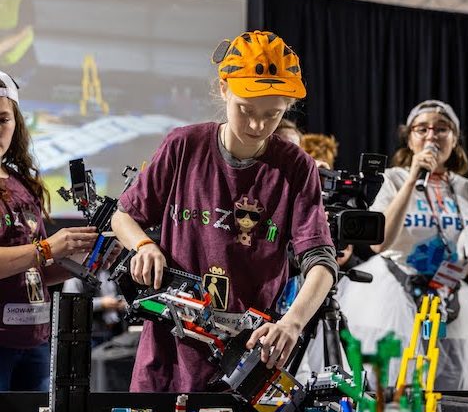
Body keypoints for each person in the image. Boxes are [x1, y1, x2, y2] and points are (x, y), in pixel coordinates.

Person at [111, 30, 338, 393]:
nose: (257, 126)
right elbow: (122, 216)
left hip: (245, 358)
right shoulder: (183, 146)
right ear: (224, 89)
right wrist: (143, 246)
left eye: (273, 115)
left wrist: (292, 323)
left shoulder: (296, 167)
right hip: (170, 354)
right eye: (245, 110)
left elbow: (322, 261)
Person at [337, 100, 468, 390]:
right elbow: (379, 244)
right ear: (409, 138)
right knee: (393, 385)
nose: (432, 135)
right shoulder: (392, 179)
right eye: (422, 129)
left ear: (455, 139)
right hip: (394, 292)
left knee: (447, 386)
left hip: (448, 295)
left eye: (442, 129)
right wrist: (411, 180)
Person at [0, 71, 99, 391]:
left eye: (3, 119)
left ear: (16, 125)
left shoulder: (21, 183)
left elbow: (36, 271)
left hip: (35, 340)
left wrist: (87, 259)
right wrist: (45, 249)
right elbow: (38, 254)